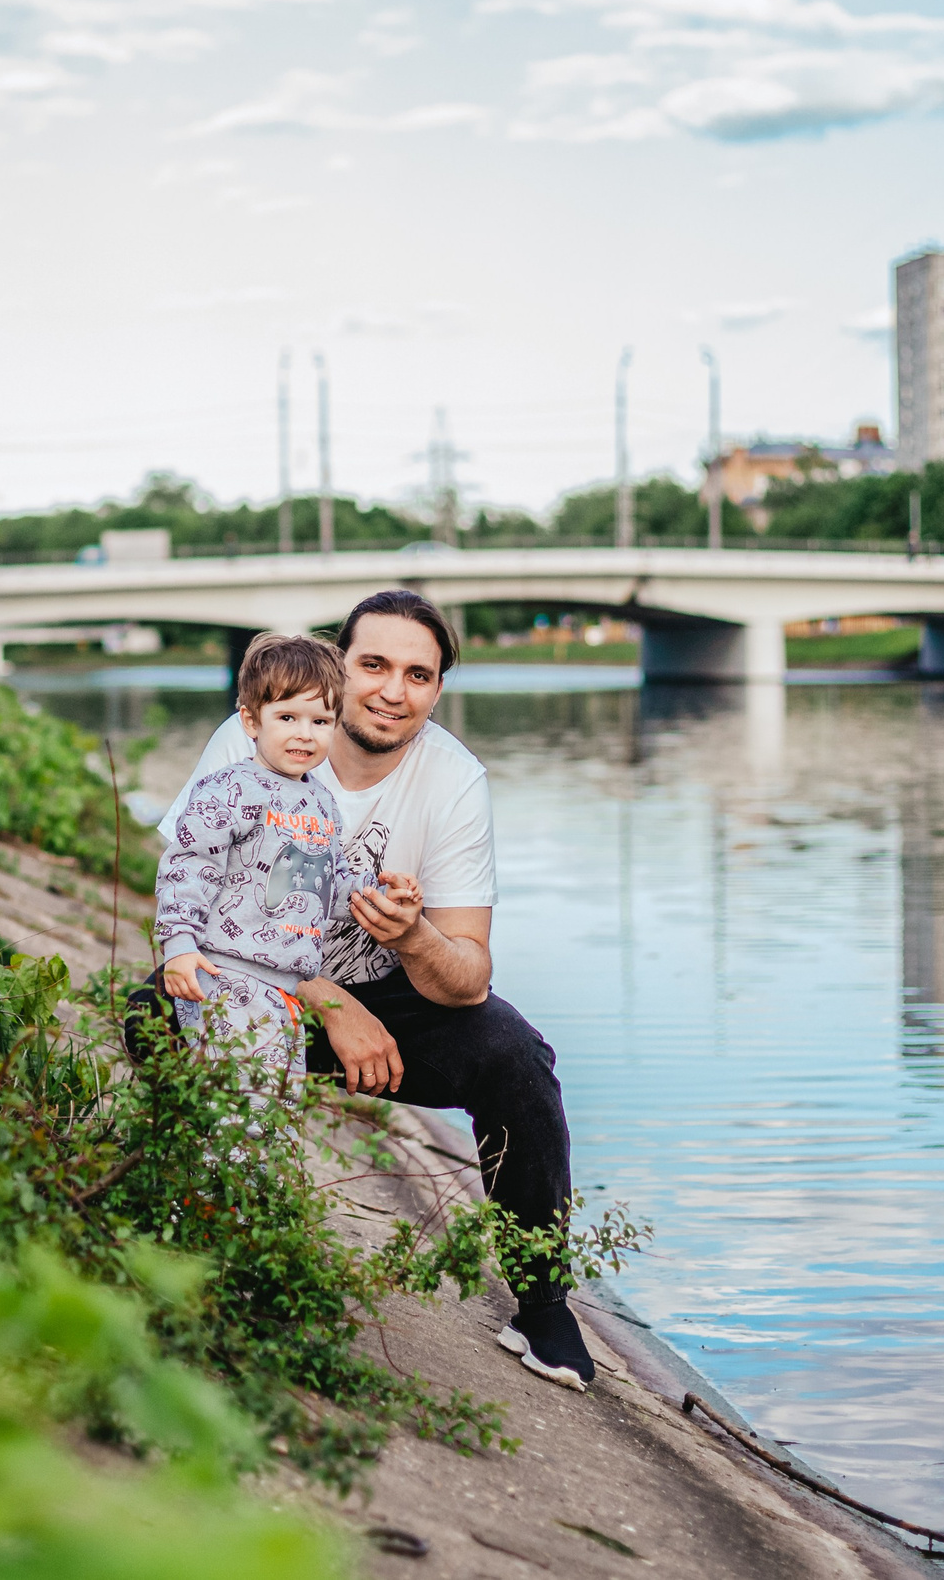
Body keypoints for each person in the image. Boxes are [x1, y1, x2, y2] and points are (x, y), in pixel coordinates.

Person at [156, 589, 595, 1390]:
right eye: (375, 665)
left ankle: (542, 1303)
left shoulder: (454, 778)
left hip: (387, 996)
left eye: (419, 674)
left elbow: (468, 977)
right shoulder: (257, 732)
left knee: (516, 1057)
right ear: (338, 663)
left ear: (437, 688)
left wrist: (411, 933)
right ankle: (198, 1232)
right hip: (245, 975)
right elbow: (188, 889)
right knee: (157, 1011)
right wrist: (327, 1001)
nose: (394, 690)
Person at [155, 634, 418, 1079]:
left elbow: (324, 885)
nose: (304, 733)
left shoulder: (320, 803)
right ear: (251, 720)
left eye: (320, 721)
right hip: (225, 974)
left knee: (276, 1105)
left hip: (286, 989)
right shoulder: (229, 790)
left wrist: (378, 897)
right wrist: (178, 944)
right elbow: (189, 866)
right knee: (233, 1106)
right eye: (287, 717)